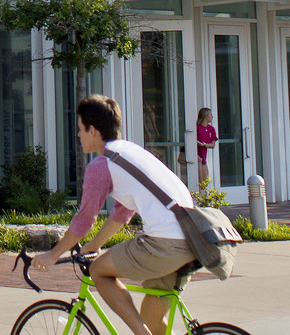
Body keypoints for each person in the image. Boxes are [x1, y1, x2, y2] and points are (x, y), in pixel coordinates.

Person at [37, 96, 199, 335]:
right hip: (192, 240)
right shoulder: (130, 153)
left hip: (165, 244)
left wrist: (53, 254)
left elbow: (84, 219)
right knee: (152, 320)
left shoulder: (102, 165)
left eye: (81, 129)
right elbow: (123, 212)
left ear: (93, 130)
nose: (79, 135)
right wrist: (92, 247)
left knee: (98, 271)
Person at [194, 108, 218, 187]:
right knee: (199, 183)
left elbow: (212, 145)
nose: (212, 116)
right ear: (205, 115)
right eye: (210, 114)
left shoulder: (211, 129)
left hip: (203, 158)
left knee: (205, 182)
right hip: (196, 158)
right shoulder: (197, 127)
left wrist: (204, 144)